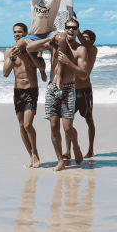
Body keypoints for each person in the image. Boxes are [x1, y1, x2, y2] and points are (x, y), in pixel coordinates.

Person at [28, 18, 89, 171]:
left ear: (77, 31)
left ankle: (76, 146)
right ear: (65, 29)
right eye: (68, 27)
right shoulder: (55, 45)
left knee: (67, 127)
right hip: (52, 88)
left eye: (74, 28)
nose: (70, 30)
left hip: (68, 88)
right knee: (53, 125)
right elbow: (30, 48)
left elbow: (83, 74)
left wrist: (68, 62)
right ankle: (60, 160)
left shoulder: (80, 49)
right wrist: (48, 38)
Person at [11, 0, 72, 89]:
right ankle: (41, 69)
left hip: (49, 32)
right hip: (32, 35)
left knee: (61, 39)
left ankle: (58, 75)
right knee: (15, 49)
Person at [3, 22, 46, 168]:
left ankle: (35, 152)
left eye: (20, 32)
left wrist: (26, 54)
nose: (17, 34)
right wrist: (13, 59)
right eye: (15, 32)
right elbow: (5, 74)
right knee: (21, 125)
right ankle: (31, 156)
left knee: (28, 124)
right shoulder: (9, 52)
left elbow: (41, 67)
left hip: (31, 90)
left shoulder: (34, 49)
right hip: (18, 91)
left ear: (26, 33)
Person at [63, 29, 98, 159]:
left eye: (86, 37)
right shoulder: (77, 49)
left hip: (85, 90)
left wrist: (77, 31)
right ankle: (67, 151)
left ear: (92, 41)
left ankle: (90, 149)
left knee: (89, 119)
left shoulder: (92, 49)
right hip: (72, 89)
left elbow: (84, 42)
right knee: (68, 121)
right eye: (82, 37)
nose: (82, 39)